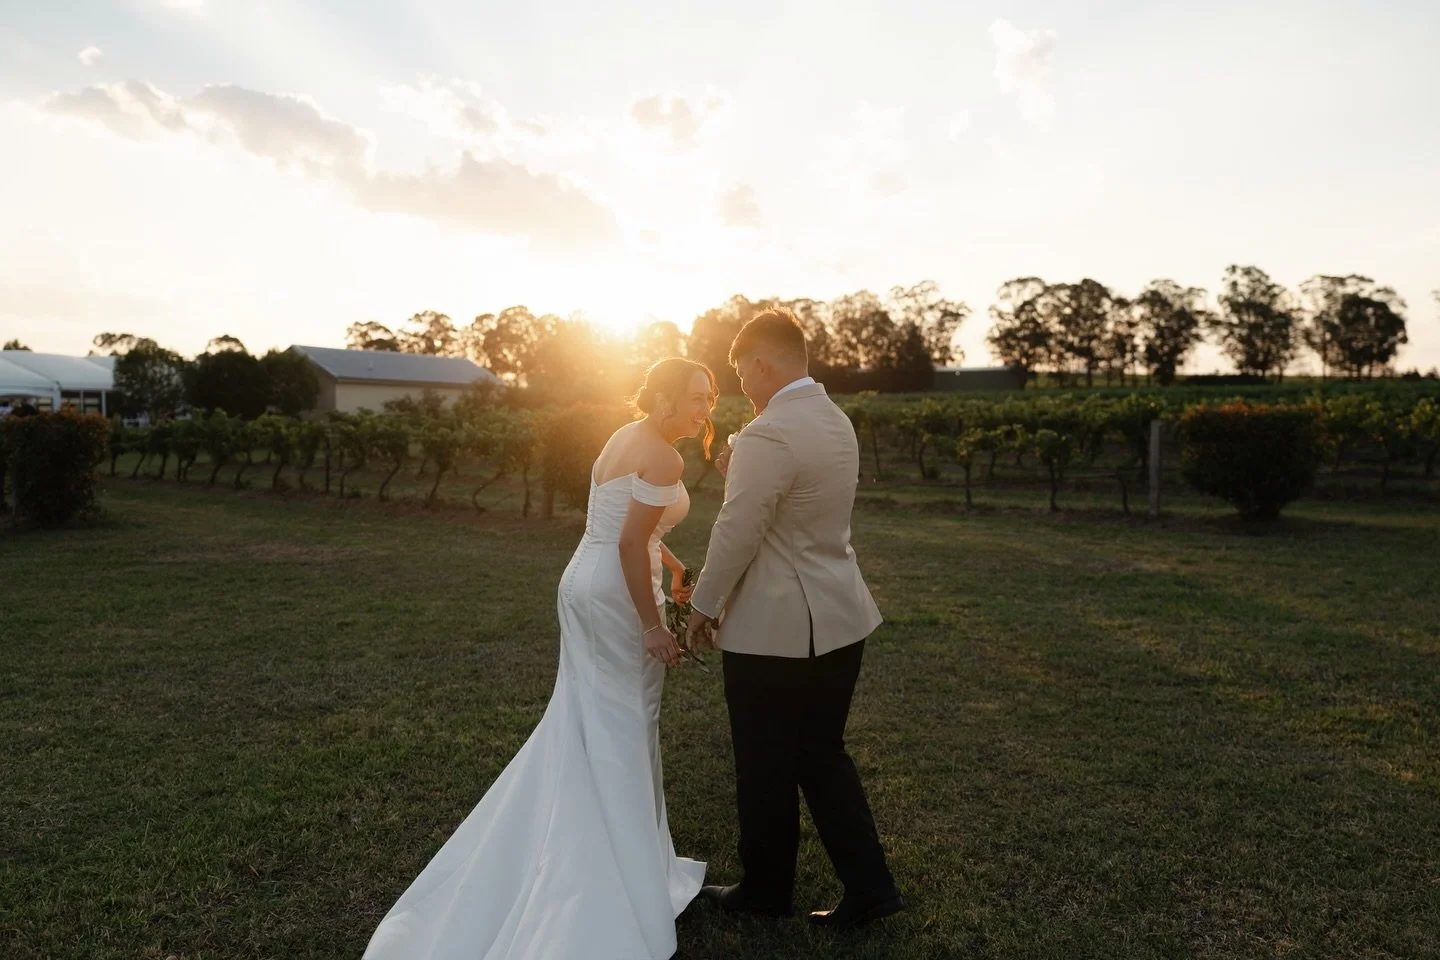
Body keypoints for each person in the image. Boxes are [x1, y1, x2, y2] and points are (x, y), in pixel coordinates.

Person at [363, 358, 717, 960]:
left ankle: (606, 846)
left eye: (710, 399)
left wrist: (677, 569)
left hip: (582, 582)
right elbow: (631, 542)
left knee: (587, 719)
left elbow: (633, 531)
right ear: (662, 398)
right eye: (697, 398)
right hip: (616, 596)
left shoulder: (624, 437)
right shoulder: (664, 455)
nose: (707, 409)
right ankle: (613, 876)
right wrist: (655, 626)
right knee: (626, 722)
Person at [686, 307, 905, 929]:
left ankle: (764, 890)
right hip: (839, 616)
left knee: (763, 761)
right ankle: (870, 887)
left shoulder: (768, 432)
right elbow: (801, 501)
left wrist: (704, 605)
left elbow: (738, 529)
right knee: (820, 754)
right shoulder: (834, 420)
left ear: (762, 361)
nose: (742, 387)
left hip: (776, 628)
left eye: (741, 372)